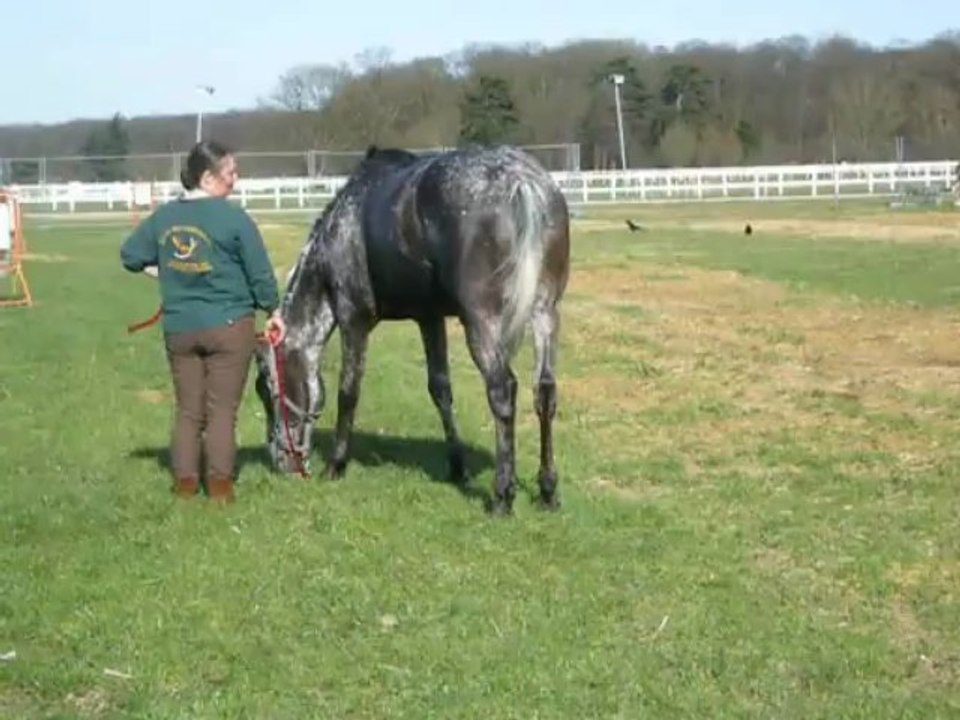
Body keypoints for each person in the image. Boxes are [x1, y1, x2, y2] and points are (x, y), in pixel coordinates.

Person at [120, 140, 285, 502]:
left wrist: (166, 271)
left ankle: (185, 484)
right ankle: (221, 487)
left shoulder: (164, 217)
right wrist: (273, 311)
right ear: (207, 178)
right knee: (222, 411)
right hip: (230, 326)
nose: (236, 179)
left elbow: (131, 255)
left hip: (180, 328)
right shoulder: (235, 219)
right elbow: (260, 274)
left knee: (189, 410)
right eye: (230, 173)